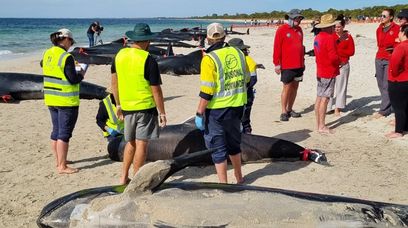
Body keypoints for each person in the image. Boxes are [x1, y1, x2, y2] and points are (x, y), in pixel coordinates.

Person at [111, 23, 166, 185]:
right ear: (147, 41)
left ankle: (123, 177)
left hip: (127, 107)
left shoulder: (119, 55)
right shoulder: (148, 59)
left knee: (130, 143)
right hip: (145, 107)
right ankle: (137, 179)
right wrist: (162, 112)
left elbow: (114, 83)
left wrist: (118, 105)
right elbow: (156, 90)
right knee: (142, 144)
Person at [195, 22, 249, 184]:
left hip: (216, 111)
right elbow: (246, 79)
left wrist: (199, 113)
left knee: (218, 148)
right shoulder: (238, 53)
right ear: (225, 36)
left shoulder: (209, 59)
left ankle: (223, 184)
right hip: (238, 106)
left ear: (208, 39)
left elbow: (207, 90)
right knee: (234, 144)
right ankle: (239, 178)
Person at [42, 28, 85, 174]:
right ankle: (62, 166)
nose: (71, 45)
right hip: (66, 100)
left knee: (56, 131)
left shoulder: (48, 53)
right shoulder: (66, 57)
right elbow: (72, 79)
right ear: (66, 40)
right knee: (64, 134)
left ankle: (59, 160)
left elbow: (44, 65)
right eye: (71, 42)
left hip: (51, 97)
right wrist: (81, 74)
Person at [273, 9, 305, 121]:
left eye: (300, 18)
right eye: (297, 18)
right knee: (287, 88)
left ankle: (290, 109)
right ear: (291, 18)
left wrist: (303, 61)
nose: (299, 20)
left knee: (295, 87)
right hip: (287, 65)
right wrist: (277, 64)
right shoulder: (281, 29)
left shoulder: (300, 29)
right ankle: (283, 111)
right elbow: (276, 47)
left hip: (299, 64)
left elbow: (301, 46)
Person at [313, 14, 341, 134]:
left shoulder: (318, 37)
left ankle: (319, 124)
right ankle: (322, 126)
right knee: (325, 99)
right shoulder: (328, 38)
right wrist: (340, 61)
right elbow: (333, 57)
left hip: (320, 70)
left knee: (319, 97)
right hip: (328, 71)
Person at [373, 9, 400, 118]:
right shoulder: (379, 28)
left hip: (390, 58)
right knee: (380, 83)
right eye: (381, 15)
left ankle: (383, 110)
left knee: (386, 84)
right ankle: (389, 105)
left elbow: (400, 43)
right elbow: (379, 44)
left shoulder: (397, 28)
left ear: (391, 17)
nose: (381, 17)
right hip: (379, 57)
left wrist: (393, 49)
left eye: (384, 16)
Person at [228, 38, 257, 134]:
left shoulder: (248, 60)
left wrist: (242, 87)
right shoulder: (233, 60)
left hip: (245, 94)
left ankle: (247, 137)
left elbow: (253, 79)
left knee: (244, 120)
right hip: (237, 94)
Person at [328, 15, 355, 116]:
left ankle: (337, 108)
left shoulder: (348, 37)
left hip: (343, 65)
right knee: (330, 87)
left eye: (338, 26)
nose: (336, 28)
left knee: (341, 87)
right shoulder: (331, 36)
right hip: (332, 65)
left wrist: (339, 52)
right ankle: (328, 107)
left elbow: (351, 52)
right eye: (335, 27)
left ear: (343, 27)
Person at [386, 25, 408, 138]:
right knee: (405, 105)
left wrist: (394, 73)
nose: (398, 33)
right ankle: (405, 127)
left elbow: (394, 65)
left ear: (403, 33)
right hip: (406, 80)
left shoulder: (401, 47)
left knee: (398, 106)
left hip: (398, 80)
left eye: (400, 31)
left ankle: (399, 131)